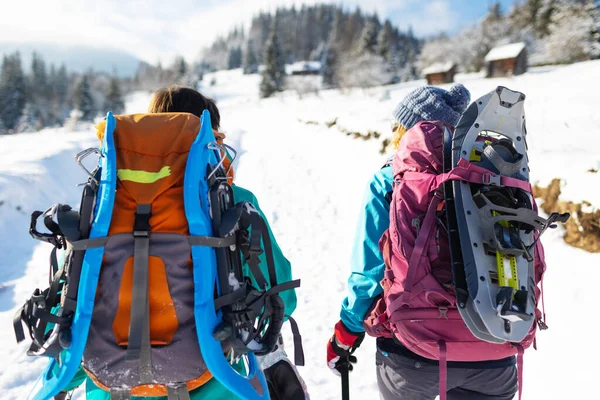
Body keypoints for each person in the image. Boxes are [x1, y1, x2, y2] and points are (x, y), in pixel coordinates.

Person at [59, 86, 307, 400]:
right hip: (217, 382)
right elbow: (281, 294)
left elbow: (75, 304)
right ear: (210, 138)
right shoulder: (232, 201)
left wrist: (71, 376)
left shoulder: (104, 205)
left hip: (112, 387)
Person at [326, 84, 519, 400]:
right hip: (494, 346)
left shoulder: (388, 180)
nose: (391, 136)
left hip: (413, 351)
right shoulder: (491, 177)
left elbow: (369, 275)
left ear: (412, 129)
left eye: (396, 127)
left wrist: (346, 331)